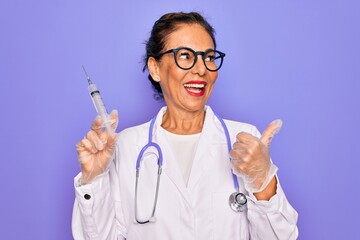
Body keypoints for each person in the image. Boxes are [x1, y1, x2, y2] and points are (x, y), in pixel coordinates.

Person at [72, 12, 298, 239]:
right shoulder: (125, 147)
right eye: (186, 56)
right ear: (155, 68)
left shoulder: (245, 139)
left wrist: (262, 181)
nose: (202, 69)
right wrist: (93, 180)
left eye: (209, 57)